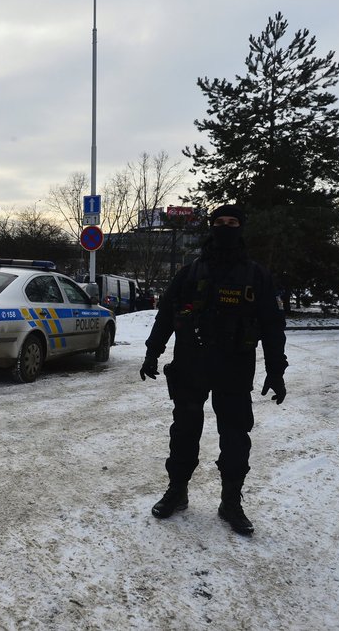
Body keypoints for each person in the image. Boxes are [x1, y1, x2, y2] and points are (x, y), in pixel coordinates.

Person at [139, 205, 287, 535]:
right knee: (184, 431)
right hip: (192, 365)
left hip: (234, 368)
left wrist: (276, 370)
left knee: (235, 437)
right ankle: (177, 491)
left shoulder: (256, 275)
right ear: (211, 227)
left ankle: (230, 502)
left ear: (241, 228)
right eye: (219, 223)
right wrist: (152, 351)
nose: (225, 228)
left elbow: (272, 326)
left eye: (232, 223)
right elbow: (166, 315)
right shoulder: (190, 272)